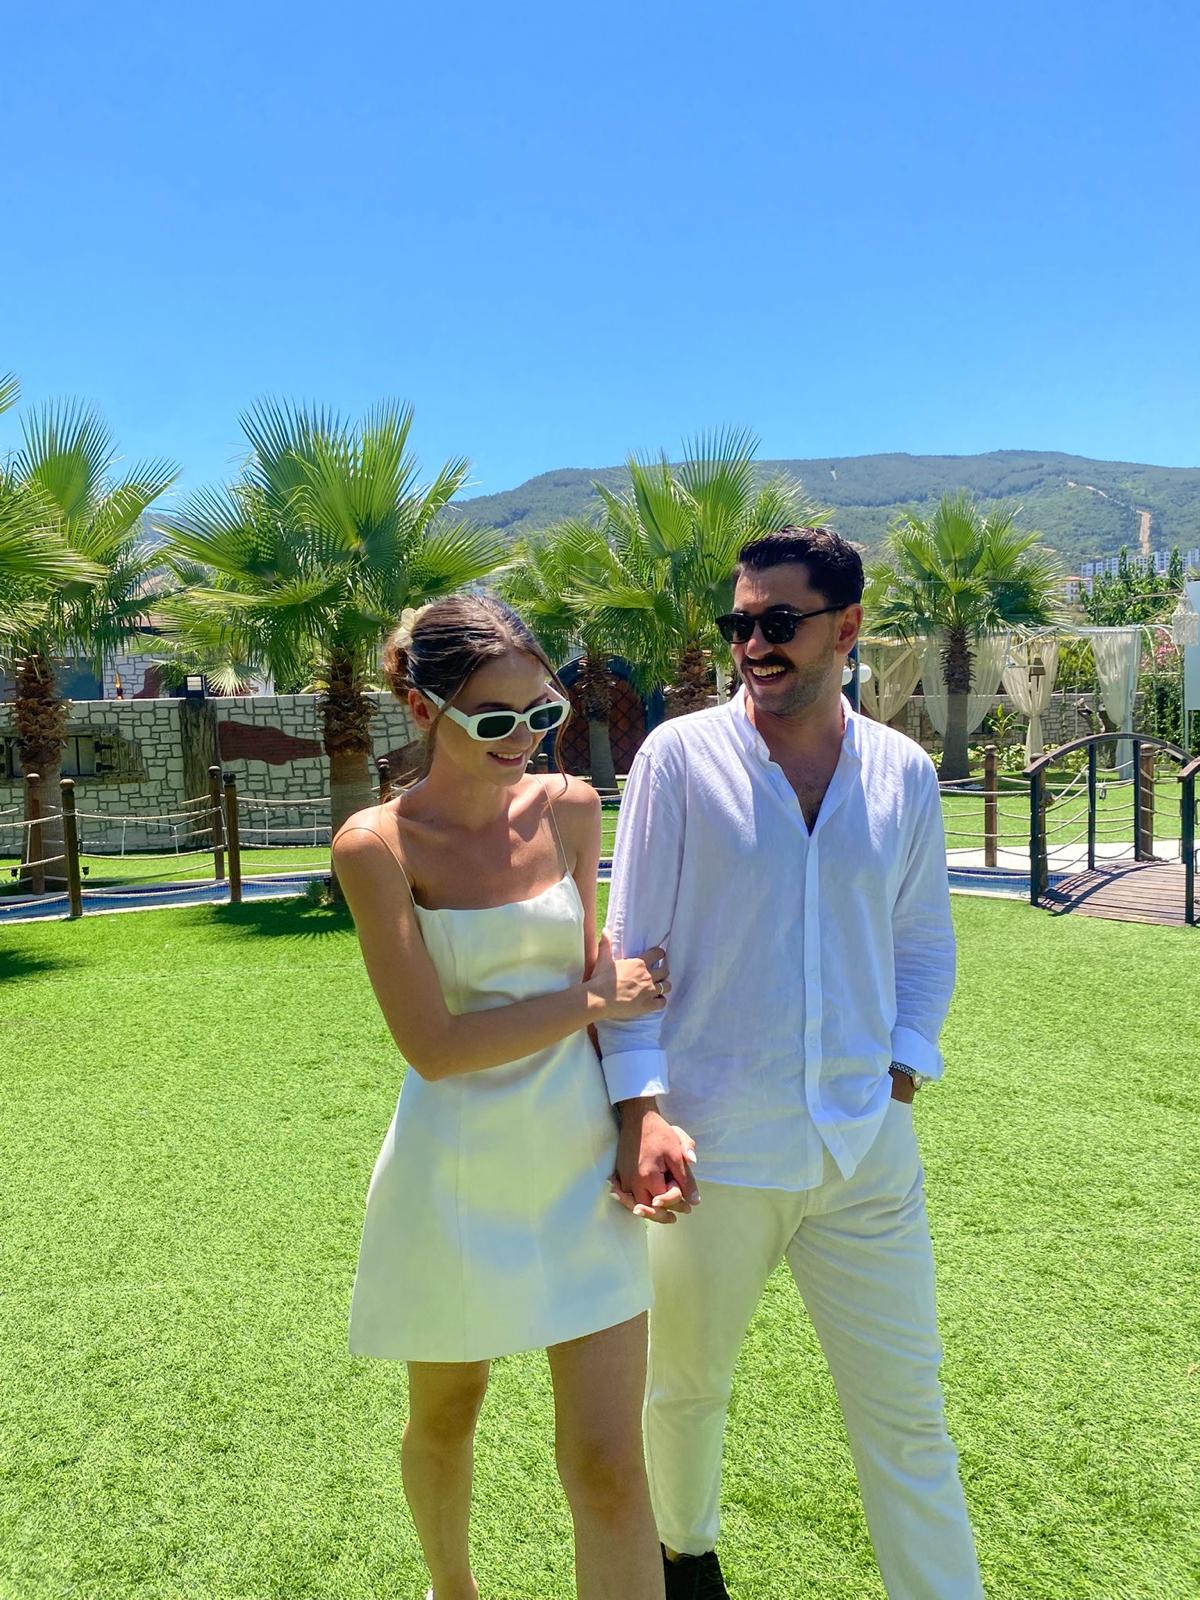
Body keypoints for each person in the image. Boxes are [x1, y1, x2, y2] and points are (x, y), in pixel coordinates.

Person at [600, 527, 984, 1599]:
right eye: (740, 623)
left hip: (865, 1149)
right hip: (712, 1147)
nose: (753, 645)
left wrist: (902, 1070)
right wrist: (641, 1111)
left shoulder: (903, 772)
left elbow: (921, 940)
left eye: (779, 622)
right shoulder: (679, 759)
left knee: (908, 1415)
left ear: (846, 625)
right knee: (686, 1388)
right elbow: (631, 949)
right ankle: (687, 1559)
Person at [333, 594, 686, 1600]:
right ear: (421, 707)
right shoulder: (376, 847)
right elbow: (435, 1048)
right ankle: (452, 1589)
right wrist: (593, 998)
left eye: (543, 712)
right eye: (495, 717)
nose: (525, 737)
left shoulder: (571, 808)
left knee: (609, 1465)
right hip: (452, 1173)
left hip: (580, 1164)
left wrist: (641, 1117)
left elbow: (598, 981)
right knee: (448, 1414)